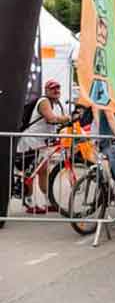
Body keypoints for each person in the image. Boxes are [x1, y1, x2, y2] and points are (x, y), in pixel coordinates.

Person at [17, 79, 71, 214]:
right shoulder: (44, 101)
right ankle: (29, 202)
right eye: (52, 88)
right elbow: (51, 119)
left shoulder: (56, 103)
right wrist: (67, 118)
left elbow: (55, 123)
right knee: (31, 172)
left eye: (58, 88)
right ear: (46, 90)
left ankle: (49, 201)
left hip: (40, 143)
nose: (56, 90)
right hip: (30, 142)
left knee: (43, 171)